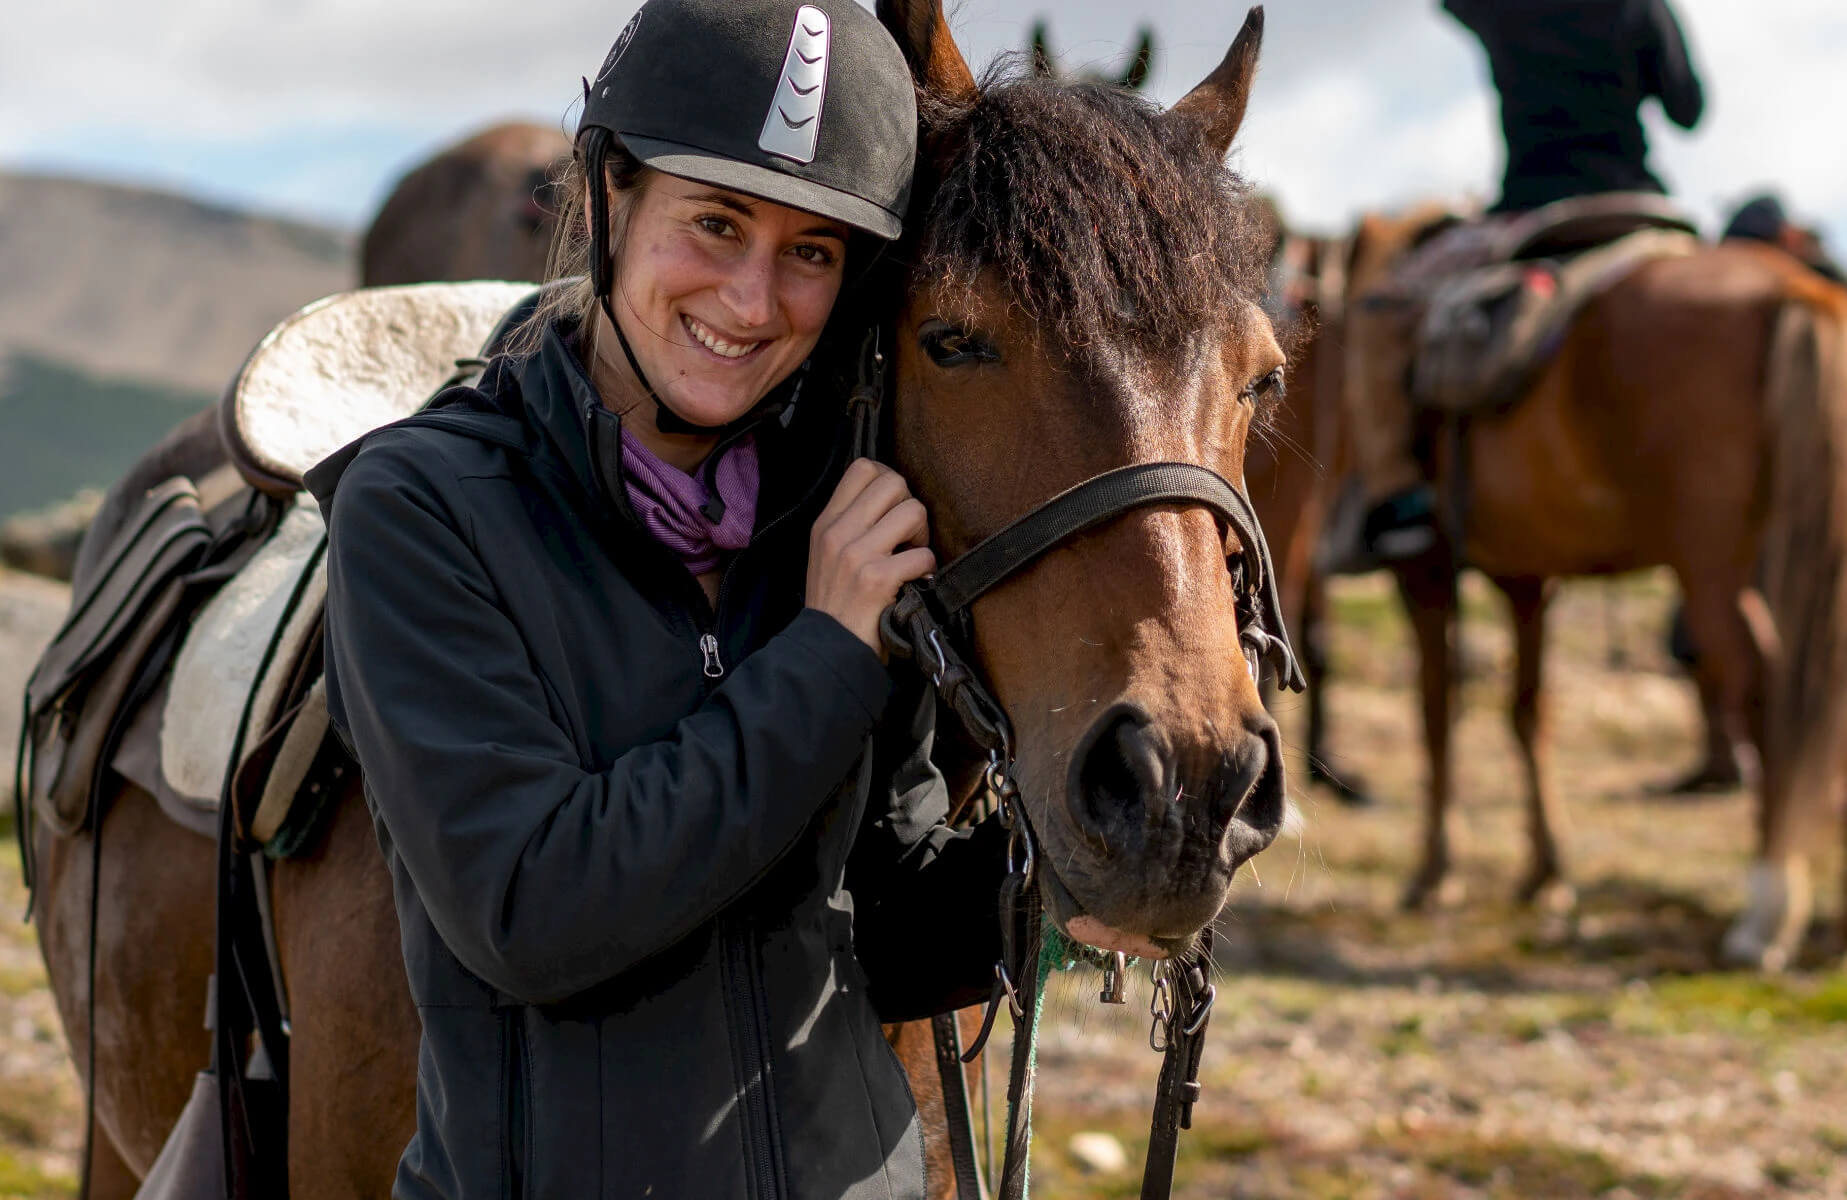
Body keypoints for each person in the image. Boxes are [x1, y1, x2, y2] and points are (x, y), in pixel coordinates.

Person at [303, 2, 1008, 1196]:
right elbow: (531, 911)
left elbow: (885, 934)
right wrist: (829, 656)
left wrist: (1062, 879)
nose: (752, 300)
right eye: (716, 223)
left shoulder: (838, 515)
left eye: (811, 252)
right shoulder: (423, 508)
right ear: (610, 197)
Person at [1341, 0, 1706, 563]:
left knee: (1380, 309)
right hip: (1641, 207)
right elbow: (1689, 109)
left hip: (1536, 211)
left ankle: (1397, 496)